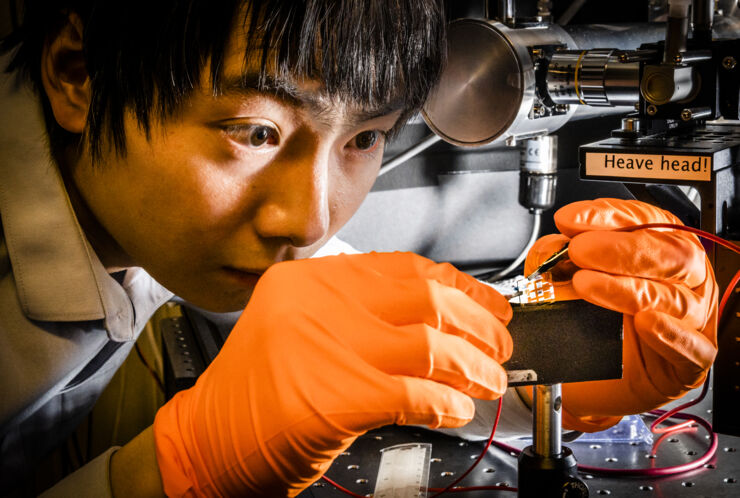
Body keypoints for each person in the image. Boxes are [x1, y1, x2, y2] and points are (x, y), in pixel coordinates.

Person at [0, 0, 718, 496]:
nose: (309, 220)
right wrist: (166, 473)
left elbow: (381, 347)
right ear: (79, 74)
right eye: (255, 133)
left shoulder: (170, 218)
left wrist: (580, 360)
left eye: (364, 138)